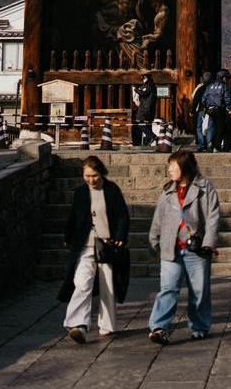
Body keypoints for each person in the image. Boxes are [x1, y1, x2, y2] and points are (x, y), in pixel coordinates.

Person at [148, 150, 221, 344]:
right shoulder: (168, 189)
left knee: (199, 290)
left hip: (196, 248)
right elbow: (159, 216)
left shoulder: (205, 188)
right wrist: (154, 239)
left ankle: (199, 326)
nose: (170, 169)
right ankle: (159, 327)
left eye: (173, 166)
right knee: (168, 288)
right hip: (170, 246)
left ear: (185, 167)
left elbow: (213, 217)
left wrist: (208, 243)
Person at [60, 155, 130, 343]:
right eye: (87, 176)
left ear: (101, 174)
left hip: (107, 244)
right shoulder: (80, 193)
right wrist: (68, 237)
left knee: (108, 286)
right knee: (82, 282)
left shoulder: (112, 190)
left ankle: (107, 324)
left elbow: (123, 215)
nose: (91, 180)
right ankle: (78, 324)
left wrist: (121, 237)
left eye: (95, 176)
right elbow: (74, 217)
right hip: (85, 244)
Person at [196, 71, 227, 153]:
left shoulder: (209, 86)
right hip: (219, 109)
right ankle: (217, 147)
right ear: (222, 77)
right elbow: (227, 98)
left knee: (211, 128)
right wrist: (229, 107)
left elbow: (203, 99)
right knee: (219, 129)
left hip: (210, 109)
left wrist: (206, 107)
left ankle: (209, 143)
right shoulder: (223, 86)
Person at [133, 72, 157, 147]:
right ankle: (148, 141)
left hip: (145, 109)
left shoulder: (149, 85)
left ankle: (152, 136)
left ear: (148, 78)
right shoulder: (151, 85)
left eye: (144, 77)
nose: (143, 79)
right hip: (149, 109)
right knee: (148, 125)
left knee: (139, 122)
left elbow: (143, 93)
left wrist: (136, 89)